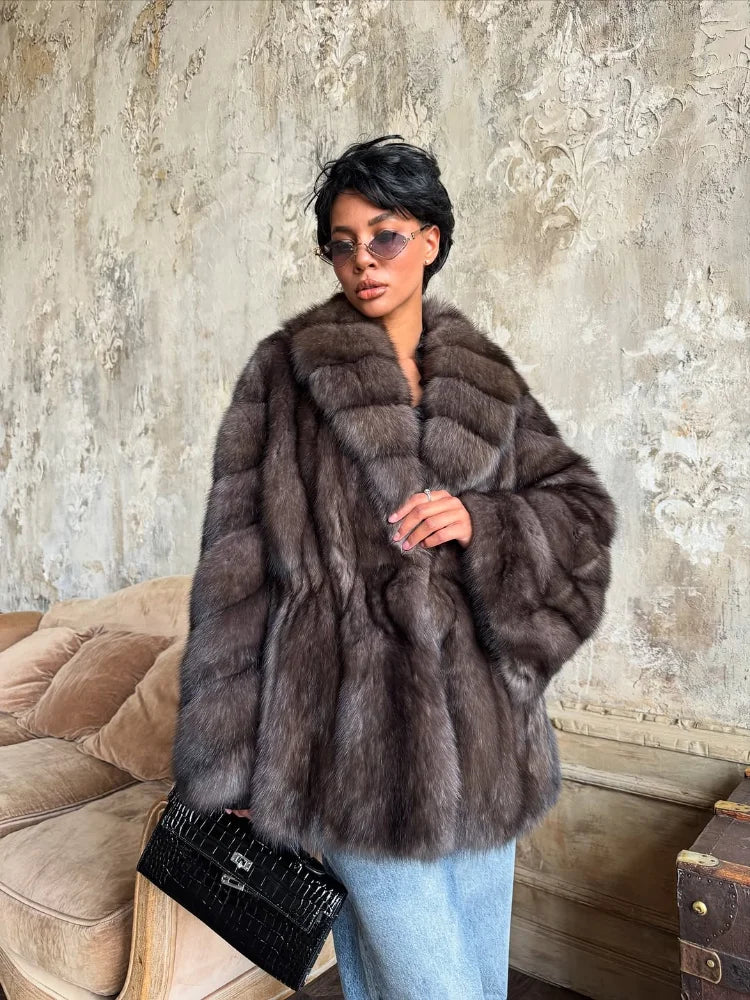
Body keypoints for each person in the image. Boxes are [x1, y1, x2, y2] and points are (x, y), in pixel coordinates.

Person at [171, 134, 618, 999]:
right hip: (351, 746)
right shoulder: (283, 375)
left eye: (384, 236)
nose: (363, 261)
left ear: (430, 239)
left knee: (470, 981)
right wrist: (226, 765)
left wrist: (484, 521)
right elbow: (234, 574)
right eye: (342, 243)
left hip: (489, 739)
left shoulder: (488, 380)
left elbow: (581, 514)